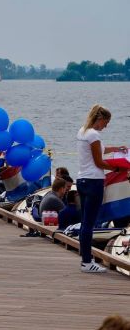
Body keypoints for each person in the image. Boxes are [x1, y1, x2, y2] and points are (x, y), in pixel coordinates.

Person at [75, 104, 127, 273]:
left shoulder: (83, 131)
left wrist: (116, 148)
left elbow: (99, 151)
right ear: (100, 119)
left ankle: (85, 259)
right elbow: (99, 162)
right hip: (94, 182)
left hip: (82, 180)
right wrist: (118, 169)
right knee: (90, 223)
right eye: (106, 121)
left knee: (85, 221)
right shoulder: (94, 135)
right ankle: (87, 262)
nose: (107, 125)